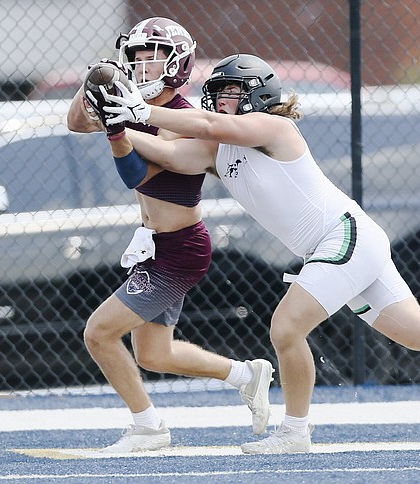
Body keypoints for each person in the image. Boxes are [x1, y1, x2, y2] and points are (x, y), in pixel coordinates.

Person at [94, 53, 420, 454]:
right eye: (218, 93)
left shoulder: (272, 127)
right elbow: (173, 155)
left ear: (259, 95)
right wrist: (117, 121)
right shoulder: (216, 147)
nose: (223, 101)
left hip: (341, 238)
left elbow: (202, 122)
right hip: (346, 241)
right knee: (417, 331)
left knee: (285, 327)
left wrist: (143, 108)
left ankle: (295, 431)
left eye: (233, 93)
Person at [66, 18, 273, 453]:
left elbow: (135, 173)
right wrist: (92, 88)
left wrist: (117, 128)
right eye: (136, 58)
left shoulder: (183, 119)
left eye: (151, 57)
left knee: (99, 332)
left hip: (179, 250)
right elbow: (75, 123)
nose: (141, 67)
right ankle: (246, 375)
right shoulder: (134, 104)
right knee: (154, 355)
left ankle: (148, 428)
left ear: (176, 63)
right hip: (154, 244)